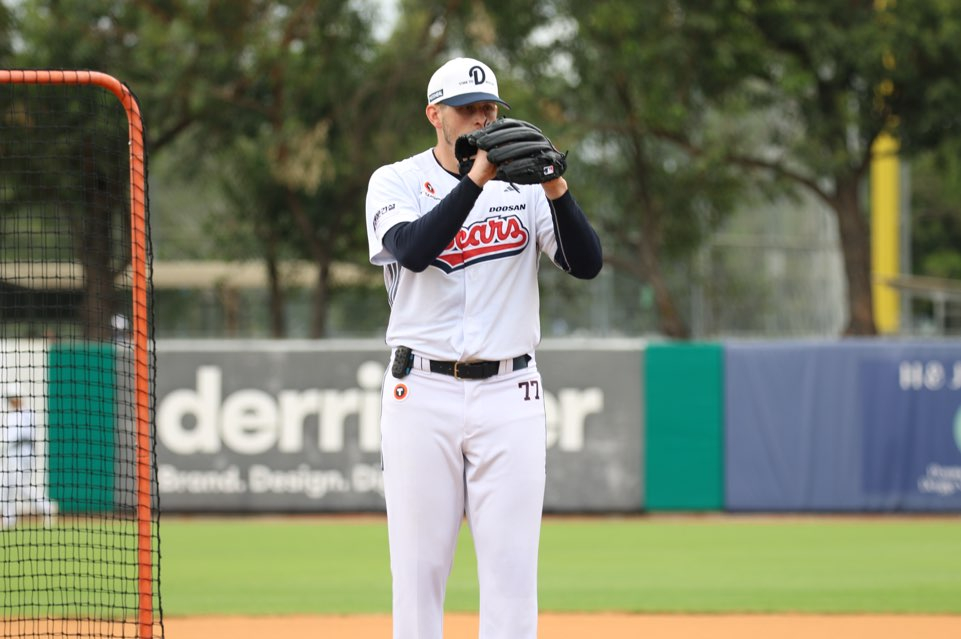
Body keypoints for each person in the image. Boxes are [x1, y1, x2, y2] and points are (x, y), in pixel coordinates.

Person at [365, 57, 602, 639]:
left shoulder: (524, 191)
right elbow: (415, 249)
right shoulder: (394, 181)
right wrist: (479, 177)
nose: (481, 118)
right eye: (467, 108)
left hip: (509, 393)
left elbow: (586, 262)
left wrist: (555, 185)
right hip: (420, 391)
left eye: (490, 108)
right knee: (419, 572)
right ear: (434, 116)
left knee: (512, 573)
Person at [1, 383, 57, 529]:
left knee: (21, 486)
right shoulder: (13, 414)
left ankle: (47, 506)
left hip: (22, 454)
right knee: (7, 486)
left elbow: (19, 436)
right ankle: (9, 519)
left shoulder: (26, 413)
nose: (11, 401)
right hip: (12, 454)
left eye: (13, 398)